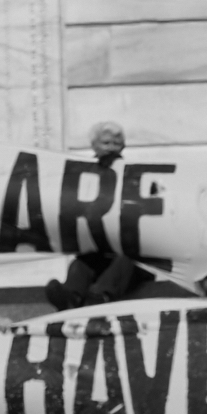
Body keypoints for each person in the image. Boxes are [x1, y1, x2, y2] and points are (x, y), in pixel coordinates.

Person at [44, 122, 154, 310]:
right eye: (106, 143)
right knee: (81, 264)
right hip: (99, 255)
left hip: (131, 261)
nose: (111, 148)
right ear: (93, 146)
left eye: (116, 143)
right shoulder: (81, 178)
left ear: (123, 147)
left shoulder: (135, 177)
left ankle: (100, 297)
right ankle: (70, 297)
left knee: (127, 259)